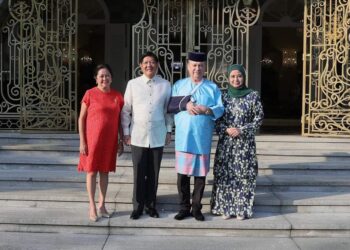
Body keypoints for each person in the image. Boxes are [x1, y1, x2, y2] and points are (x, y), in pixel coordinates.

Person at [172, 52, 224, 221]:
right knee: (182, 175)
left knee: (200, 175)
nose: (197, 68)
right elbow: (170, 105)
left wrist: (207, 109)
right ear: (188, 66)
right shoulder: (179, 85)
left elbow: (220, 108)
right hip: (183, 136)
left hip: (202, 136)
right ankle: (183, 207)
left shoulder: (212, 87)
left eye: (200, 65)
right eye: (194, 65)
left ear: (205, 67)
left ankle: (196, 208)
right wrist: (185, 104)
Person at [121, 51, 172, 220]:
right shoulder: (133, 84)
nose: (149, 65)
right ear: (141, 66)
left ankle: (151, 205)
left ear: (157, 65)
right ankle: (137, 206)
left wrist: (169, 130)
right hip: (137, 135)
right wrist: (126, 133)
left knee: (154, 173)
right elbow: (126, 111)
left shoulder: (165, 85)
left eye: (152, 62)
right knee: (139, 172)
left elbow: (168, 111)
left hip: (158, 135)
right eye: (145, 62)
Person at [210, 64, 264, 220]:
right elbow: (216, 119)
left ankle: (242, 209)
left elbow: (258, 118)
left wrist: (242, 129)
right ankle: (225, 207)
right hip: (227, 144)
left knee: (244, 175)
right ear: (228, 78)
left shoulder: (253, 95)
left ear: (244, 77)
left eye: (239, 76)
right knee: (225, 174)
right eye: (232, 76)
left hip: (244, 144)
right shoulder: (222, 97)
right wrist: (227, 129)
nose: (236, 79)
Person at [78, 64, 124, 222]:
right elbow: (81, 118)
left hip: (109, 141)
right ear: (96, 78)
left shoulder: (118, 96)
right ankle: (92, 205)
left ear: (111, 77)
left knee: (104, 172)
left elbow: (119, 120)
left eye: (107, 75)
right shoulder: (89, 94)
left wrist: (121, 139)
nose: (105, 78)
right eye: (101, 76)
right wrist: (82, 141)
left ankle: (102, 204)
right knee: (91, 171)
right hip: (92, 140)